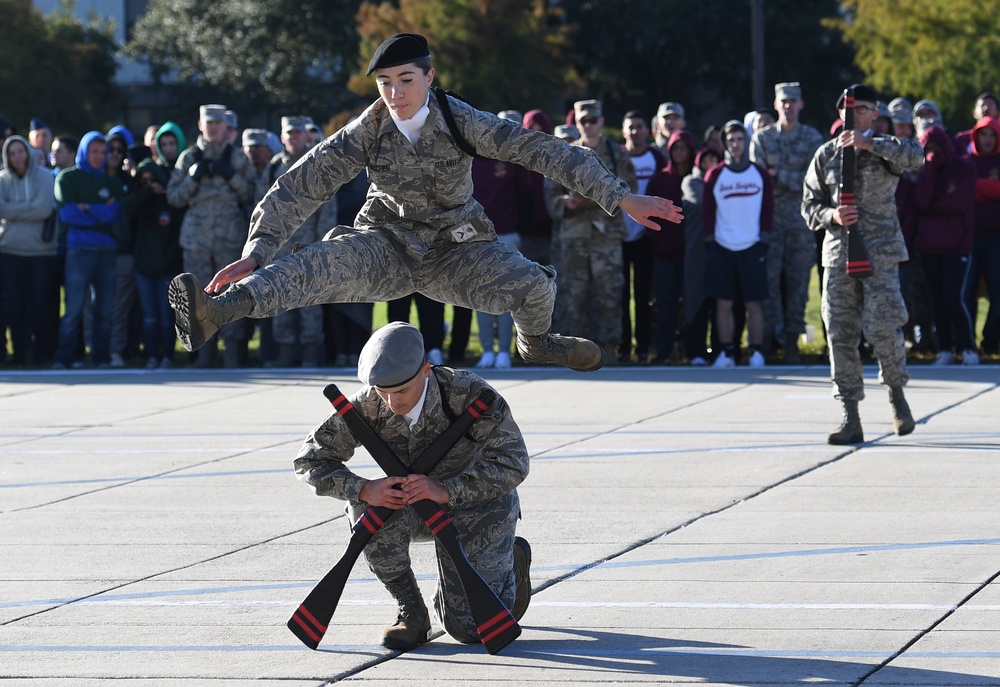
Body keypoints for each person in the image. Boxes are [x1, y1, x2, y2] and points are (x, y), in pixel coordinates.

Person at [167, 34, 681, 374]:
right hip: (386, 245)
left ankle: (537, 342)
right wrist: (257, 251)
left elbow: (542, 151)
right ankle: (217, 311)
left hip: (455, 251)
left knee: (534, 284)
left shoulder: (461, 120)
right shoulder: (368, 129)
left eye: (405, 81)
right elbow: (300, 184)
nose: (394, 94)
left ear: (429, 77)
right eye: (385, 84)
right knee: (311, 267)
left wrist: (620, 196)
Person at [293, 321, 531, 648]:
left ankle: (513, 568)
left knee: (469, 629)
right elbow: (309, 460)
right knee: (365, 506)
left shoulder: (468, 394)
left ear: (425, 369)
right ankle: (412, 611)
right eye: (383, 392)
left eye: (401, 391)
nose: (392, 403)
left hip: (480, 505)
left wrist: (447, 489)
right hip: (412, 508)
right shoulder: (365, 405)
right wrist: (364, 489)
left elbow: (513, 461)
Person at [801, 84, 925, 445]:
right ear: (841, 114)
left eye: (865, 109)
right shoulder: (826, 154)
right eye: (850, 109)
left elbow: (915, 156)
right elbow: (808, 206)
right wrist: (832, 214)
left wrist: (870, 143)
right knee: (840, 332)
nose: (856, 114)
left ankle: (897, 396)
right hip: (838, 256)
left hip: (881, 253)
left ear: (874, 115)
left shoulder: (886, 149)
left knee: (883, 326)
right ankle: (850, 414)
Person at [545, 98, 639, 361]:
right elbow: (551, 195)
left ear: (601, 122)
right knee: (575, 296)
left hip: (606, 237)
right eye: (582, 121)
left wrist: (597, 199)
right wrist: (568, 202)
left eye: (592, 120)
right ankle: (577, 353)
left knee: (609, 294)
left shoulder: (617, 154)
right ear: (575, 123)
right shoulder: (565, 153)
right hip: (574, 238)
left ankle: (610, 350)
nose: (588, 125)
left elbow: (630, 190)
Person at [166, 103, 257, 368]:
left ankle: (233, 355)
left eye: (219, 124)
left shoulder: (237, 158)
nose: (214, 128)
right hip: (197, 240)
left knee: (232, 295)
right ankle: (204, 355)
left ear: (225, 127)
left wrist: (232, 177)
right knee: (197, 297)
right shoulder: (189, 158)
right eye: (210, 123)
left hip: (230, 238)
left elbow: (252, 193)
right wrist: (193, 178)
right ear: (200, 125)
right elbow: (173, 197)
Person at [749, 82, 825, 363]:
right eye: (784, 101)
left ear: (801, 104)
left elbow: (815, 180)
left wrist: (779, 176)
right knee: (768, 283)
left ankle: (792, 342)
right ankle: (767, 341)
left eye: (794, 101)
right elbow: (758, 179)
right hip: (769, 224)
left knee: (798, 285)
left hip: (801, 224)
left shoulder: (811, 137)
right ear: (777, 104)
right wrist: (791, 178)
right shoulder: (762, 138)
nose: (789, 106)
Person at [260, 115, 337, 368]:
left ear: (306, 136)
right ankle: (284, 351)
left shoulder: (317, 164)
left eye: (298, 133)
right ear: (282, 138)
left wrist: (322, 243)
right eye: (289, 134)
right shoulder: (273, 168)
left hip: (309, 246)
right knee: (280, 298)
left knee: (309, 301)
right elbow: (260, 207)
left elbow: (328, 207)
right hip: (279, 247)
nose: (294, 138)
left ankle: (310, 353)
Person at [703, 121, 773, 369]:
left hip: (752, 247)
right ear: (725, 143)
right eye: (731, 140)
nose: (736, 144)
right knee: (724, 304)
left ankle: (756, 352)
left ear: (747, 142)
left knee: (754, 303)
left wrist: (763, 240)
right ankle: (726, 352)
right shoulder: (715, 175)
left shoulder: (760, 174)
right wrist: (711, 242)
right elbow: (708, 212)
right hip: (722, 247)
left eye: (740, 139)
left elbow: (767, 209)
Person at [52, 131, 124, 369]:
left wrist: (86, 209)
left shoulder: (111, 182)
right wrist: (100, 211)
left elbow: (115, 215)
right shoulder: (66, 178)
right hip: (79, 250)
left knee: (104, 310)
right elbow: (68, 214)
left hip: (107, 251)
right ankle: (64, 358)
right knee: (73, 308)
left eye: (102, 152)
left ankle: (100, 357)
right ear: (84, 151)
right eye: (94, 151)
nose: (99, 156)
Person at [913, 125, 978, 366]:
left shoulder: (965, 168)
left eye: (937, 148)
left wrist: (934, 205)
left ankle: (967, 346)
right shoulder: (926, 169)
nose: (934, 152)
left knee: (953, 296)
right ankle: (945, 349)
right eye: (928, 149)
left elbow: (960, 203)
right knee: (936, 299)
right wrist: (931, 169)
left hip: (957, 244)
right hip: (930, 245)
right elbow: (921, 201)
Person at [0, 135, 58, 366]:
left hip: (41, 253)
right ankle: (20, 353)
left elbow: (44, 209)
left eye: (21, 151)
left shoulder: (45, 176)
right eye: (12, 153)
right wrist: (28, 208)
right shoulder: (2, 179)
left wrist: (12, 211)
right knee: (15, 306)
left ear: (28, 152)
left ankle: (42, 354)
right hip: (9, 251)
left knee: (40, 305)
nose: (18, 157)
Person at [126, 157, 183, 369]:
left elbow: (178, 232)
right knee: (150, 317)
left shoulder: (170, 202)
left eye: (153, 179)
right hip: (143, 268)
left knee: (167, 316)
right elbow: (127, 208)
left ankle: (167, 356)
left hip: (166, 267)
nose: (150, 183)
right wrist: (147, 192)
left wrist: (169, 258)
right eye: (144, 180)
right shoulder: (141, 202)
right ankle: (152, 356)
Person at [620, 111, 667, 363]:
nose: (635, 131)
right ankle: (624, 346)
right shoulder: (617, 156)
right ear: (623, 131)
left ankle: (644, 346)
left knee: (643, 295)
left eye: (640, 126)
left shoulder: (656, 157)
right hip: (619, 236)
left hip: (646, 238)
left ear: (647, 130)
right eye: (631, 127)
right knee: (620, 296)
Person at [965, 115, 1000, 356]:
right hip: (968, 239)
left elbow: (970, 189)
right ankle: (967, 345)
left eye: (992, 135)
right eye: (983, 134)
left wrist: (976, 187)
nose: (987, 139)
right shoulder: (965, 162)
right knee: (967, 294)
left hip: (996, 239)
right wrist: (992, 188)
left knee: (997, 294)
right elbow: (961, 193)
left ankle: (990, 342)